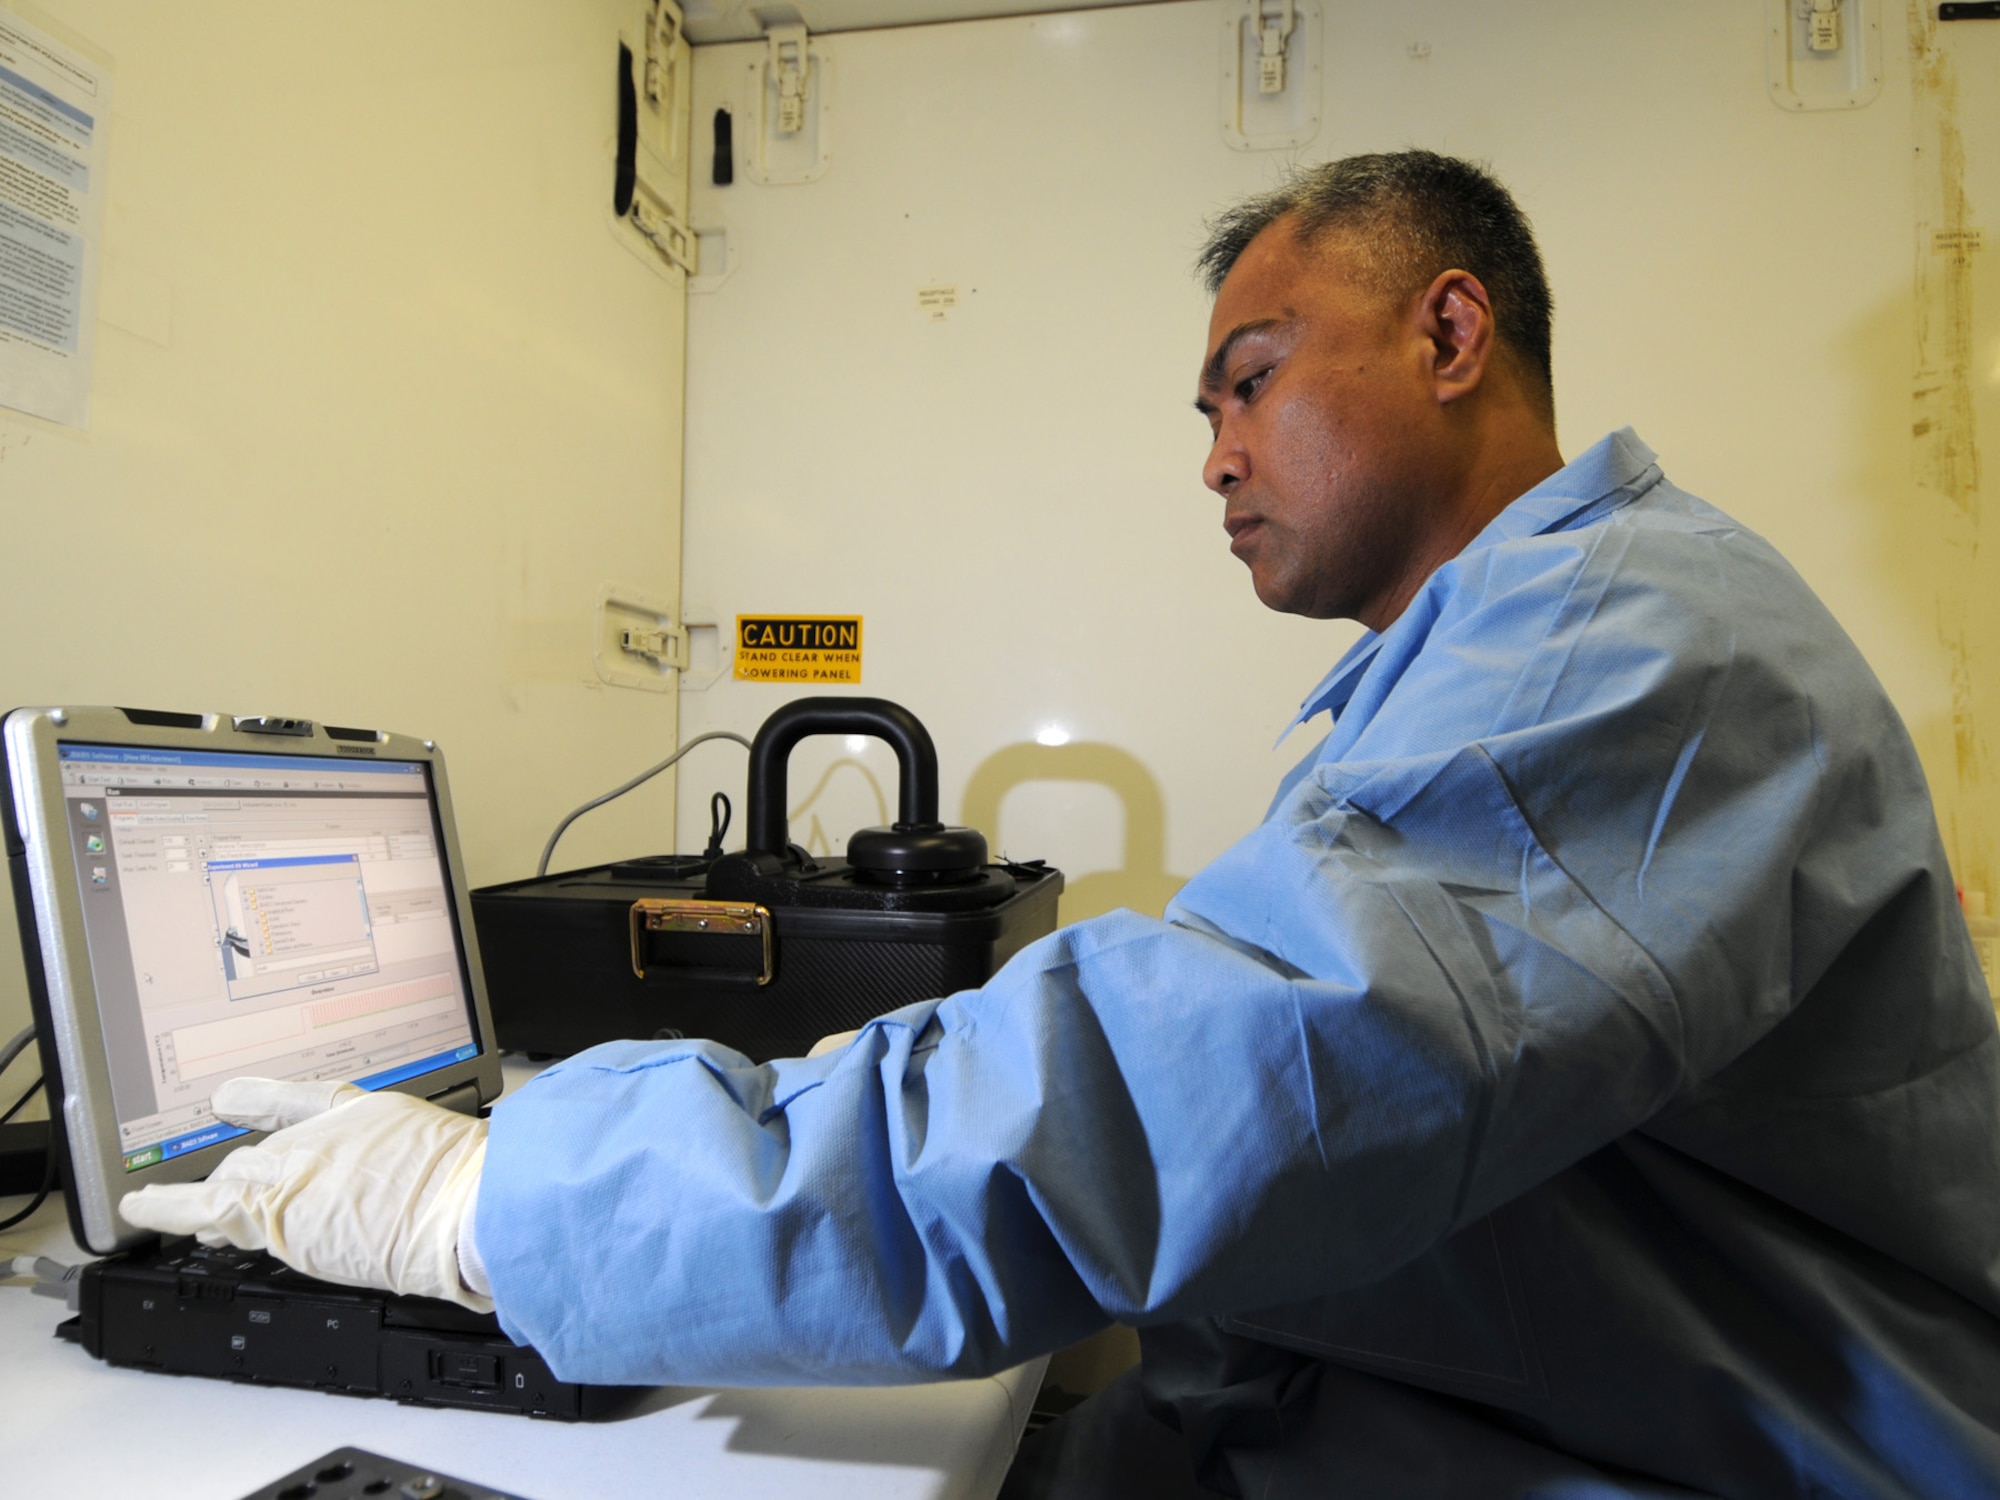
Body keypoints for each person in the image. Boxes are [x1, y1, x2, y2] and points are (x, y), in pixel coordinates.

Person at [124, 152, 2000, 1499]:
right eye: (1203, 410)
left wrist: (493, 1197)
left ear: (1450, 331)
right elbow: (1252, 1021)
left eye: (1253, 378)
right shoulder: (1506, 654)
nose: (1213, 453)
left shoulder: (1628, 645)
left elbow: (1227, 1068)